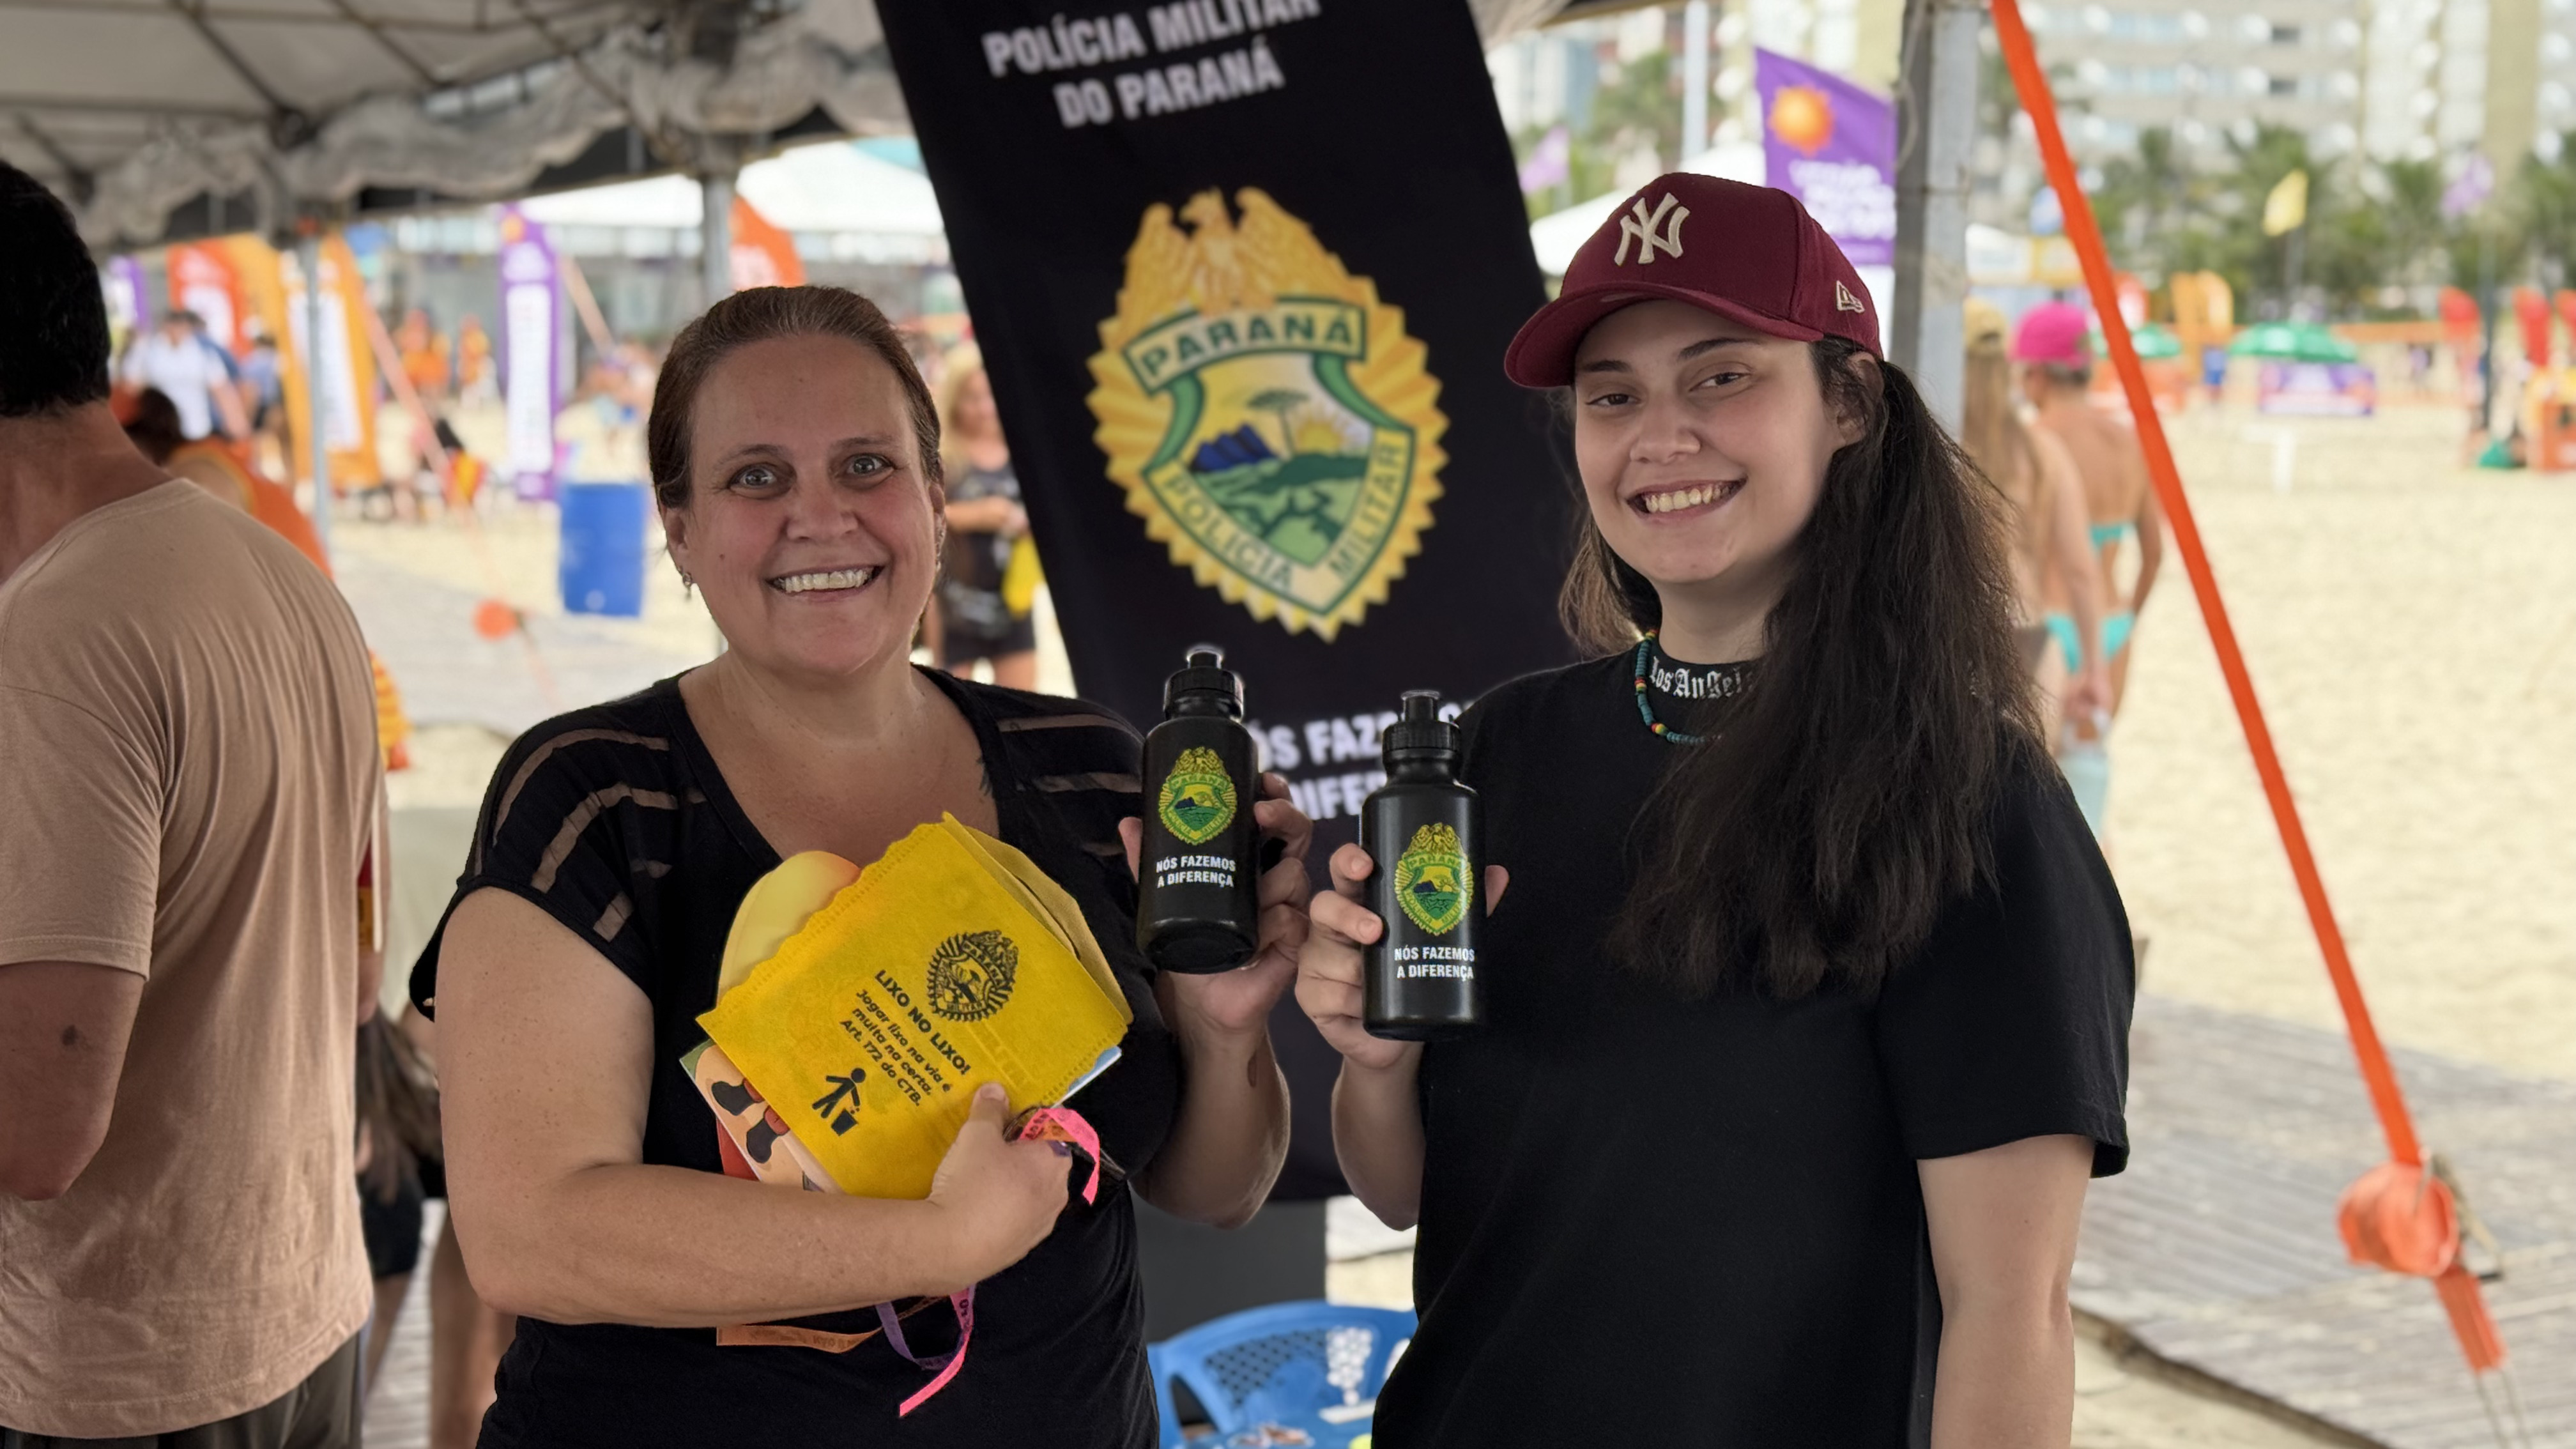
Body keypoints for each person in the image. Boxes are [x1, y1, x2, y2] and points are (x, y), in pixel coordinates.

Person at [1298, 176, 2134, 1446]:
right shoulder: (1490, 754)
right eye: (1613, 396)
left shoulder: (1968, 796)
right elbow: (1408, 1190)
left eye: (1721, 377)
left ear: (1848, 404)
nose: (1659, 435)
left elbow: (2011, 1314)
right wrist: (1378, 1058)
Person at [414, 284, 1314, 1445]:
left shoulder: (1092, 770)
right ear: (679, 531)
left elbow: (1216, 1187)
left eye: (866, 466)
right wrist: (937, 1244)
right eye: (756, 477)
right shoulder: (597, 792)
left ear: (935, 503)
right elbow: (531, 1235)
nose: (821, 516)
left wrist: (1223, 1028)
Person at [0, 161, 385, 1446]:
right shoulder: (288, 580)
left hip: (117, 1372)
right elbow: (355, 975)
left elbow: (37, 1127)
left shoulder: (53, 634)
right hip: (299, 1319)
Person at [1960, 300, 2110, 730]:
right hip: (2029, 636)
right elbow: (2081, 570)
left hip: (1954, 635)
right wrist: (2095, 669)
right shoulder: (2043, 453)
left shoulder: (1941, 449)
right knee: (2026, 770)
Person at [2014, 302, 2163, 719]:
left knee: (2034, 756)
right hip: (2111, 624)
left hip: (2047, 622)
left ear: (2037, 374)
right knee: (2093, 753)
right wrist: (2128, 620)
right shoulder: (2129, 442)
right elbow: (2154, 554)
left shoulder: (2033, 444)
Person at [931, 342, 1039, 688]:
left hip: (1013, 602)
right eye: (972, 399)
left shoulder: (1022, 449)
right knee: (953, 702)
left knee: (1023, 706)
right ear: (954, 400)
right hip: (956, 603)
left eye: (990, 396)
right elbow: (921, 516)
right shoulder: (943, 455)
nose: (984, 409)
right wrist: (974, 516)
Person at [119, 308, 236, 443]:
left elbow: (221, 390)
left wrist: (234, 424)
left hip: (196, 428)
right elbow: (129, 387)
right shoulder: (147, 349)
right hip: (159, 431)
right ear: (166, 325)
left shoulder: (202, 351)